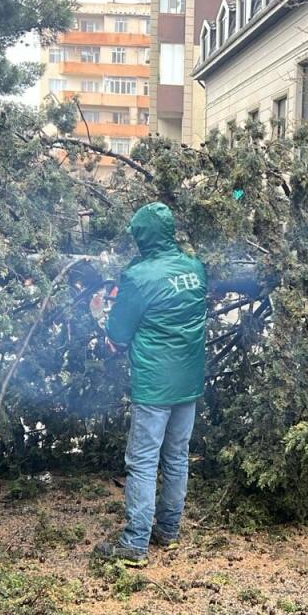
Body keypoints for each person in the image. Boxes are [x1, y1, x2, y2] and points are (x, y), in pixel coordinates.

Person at [93, 202, 206, 567]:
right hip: (188, 380)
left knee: (142, 461)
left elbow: (118, 334)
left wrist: (109, 331)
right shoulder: (194, 268)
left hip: (154, 384)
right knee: (176, 456)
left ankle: (135, 544)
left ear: (142, 238)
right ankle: (168, 532)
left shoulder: (139, 277)